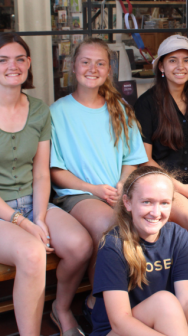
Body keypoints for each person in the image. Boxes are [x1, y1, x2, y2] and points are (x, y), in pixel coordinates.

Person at [0, 33, 92, 336]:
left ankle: (61, 308)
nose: (12, 66)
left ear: (28, 63)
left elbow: (41, 174)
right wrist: (23, 223)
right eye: (2, 60)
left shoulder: (39, 110)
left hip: (34, 203)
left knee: (81, 245)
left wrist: (39, 217)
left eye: (19, 59)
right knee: (32, 252)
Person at [49, 38, 148, 320]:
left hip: (116, 191)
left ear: (108, 70)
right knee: (110, 227)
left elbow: (131, 159)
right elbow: (55, 170)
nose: (92, 68)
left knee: (152, 222)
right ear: (73, 66)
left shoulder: (119, 109)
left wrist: (121, 184)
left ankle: (128, 300)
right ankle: (101, 306)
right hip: (77, 194)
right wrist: (92, 188)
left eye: (100, 63)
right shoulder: (57, 113)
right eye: (85, 62)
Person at [90, 166, 188, 336]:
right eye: (147, 202)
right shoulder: (113, 245)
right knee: (165, 302)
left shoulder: (178, 236)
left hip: (168, 324)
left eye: (164, 203)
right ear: (128, 202)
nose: (156, 212)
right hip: (121, 331)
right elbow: (120, 322)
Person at [135, 35, 188, 238]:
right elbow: (145, 159)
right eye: (173, 60)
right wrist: (180, 188)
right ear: (161, 67)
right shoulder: (147, 104)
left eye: (186, 60)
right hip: (164, 187)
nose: (181, 66)